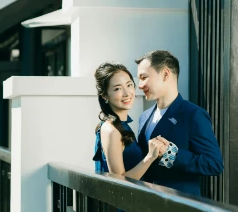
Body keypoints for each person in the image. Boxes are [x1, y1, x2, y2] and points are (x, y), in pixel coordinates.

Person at [135, 50, 223, 195]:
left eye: (144, 77)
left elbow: (214, 164)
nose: (140, 85)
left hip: (180, 208)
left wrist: (171, 154)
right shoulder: (143, 117)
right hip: (148, 206)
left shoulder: (193, 115)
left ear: (165, 74)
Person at [93, 62, 166, 180]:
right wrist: (150, 157)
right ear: (105, 96)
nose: (127, 93)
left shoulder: (121, 126)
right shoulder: (112, 130)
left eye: (129, 85)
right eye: (117, 88)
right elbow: (119, 181)